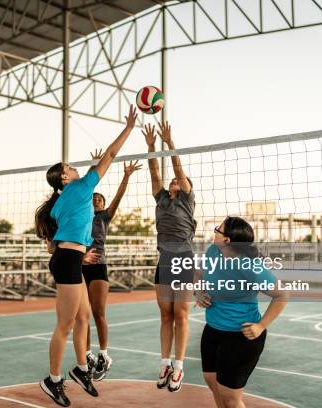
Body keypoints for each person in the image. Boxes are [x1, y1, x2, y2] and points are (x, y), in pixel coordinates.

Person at [35, 105, 137, 407]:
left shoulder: (61, 201)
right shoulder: (79, 188)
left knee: (83, 318)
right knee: (65, 325)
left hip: (69, 259)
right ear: (64, 177)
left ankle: (81, 369)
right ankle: (52, 381)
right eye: (69, 166)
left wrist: (79, 258)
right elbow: (110, 156)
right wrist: (129, 128)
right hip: (68, 262)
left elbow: (55, 244)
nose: (74, 166)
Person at [197, 217, 288, 408]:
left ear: (227, 240)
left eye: (218, 229)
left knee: (230, 398)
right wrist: (199, 292)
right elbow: (199, 274)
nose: (214, 231)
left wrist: (261, 326)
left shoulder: (249, 266)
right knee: (212, 382)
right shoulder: (213, 251)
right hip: (213, 330)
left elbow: (281, 295)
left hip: (241, 336)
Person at [143, 121, 196, 392]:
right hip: (164, 260)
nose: (174, 180)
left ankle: (179, 367)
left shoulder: (187, 200)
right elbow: (155, 173)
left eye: (179, 180)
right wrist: (152, 147)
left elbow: (177, 169)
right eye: (172, 181)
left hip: (184, 258)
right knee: (165, 315)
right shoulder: (161, 198)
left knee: (181, 314)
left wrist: (170, 143)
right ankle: (164, 363)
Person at [84, 155, 142, 381]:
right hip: (79, 266)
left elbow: (118, 197)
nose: (96, 199)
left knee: (98, 312)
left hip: (98, 267)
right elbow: (85, 186)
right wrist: (93, 167)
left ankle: (104, 354)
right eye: (94, 197)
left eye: (100, 198)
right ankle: (87, 355)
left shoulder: (104, 217)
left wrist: (126, 176)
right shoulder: (82, 215)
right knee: (82, 316)